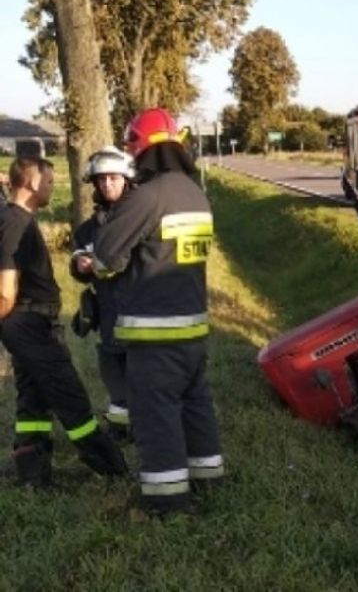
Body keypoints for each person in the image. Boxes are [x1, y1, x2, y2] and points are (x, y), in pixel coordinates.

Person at [92, 108, 222, 515]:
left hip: (154, 330)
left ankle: (167, 506)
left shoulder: (148, 197)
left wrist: (95, 265)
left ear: (138, 149)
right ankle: (208, 480)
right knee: (195, 404)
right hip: (193, 326)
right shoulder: (194, 193)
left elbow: (107, 255)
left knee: (155, 414)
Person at [1, 157, 128, 488]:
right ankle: (114, 470)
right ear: (30, 183)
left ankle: (32, 476)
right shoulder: (15, 223)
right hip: (30, 323)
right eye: (49, 182)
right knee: (70, 399)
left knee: (32, 398)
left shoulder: (18, 218)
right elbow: (5, 292)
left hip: (29, 323)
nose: (51, 188)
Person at [70, 147, 136, 440]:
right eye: (101, 179)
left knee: (143, 370)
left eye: (113, 177)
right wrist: (80, 265)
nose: (107, 184)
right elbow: (77, 264)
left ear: (126, 179)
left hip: (142, 309)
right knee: (113, 368)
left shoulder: (141, 218)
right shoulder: (88, 229)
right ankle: (121, 427)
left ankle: (147, 422)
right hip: (108, 309)